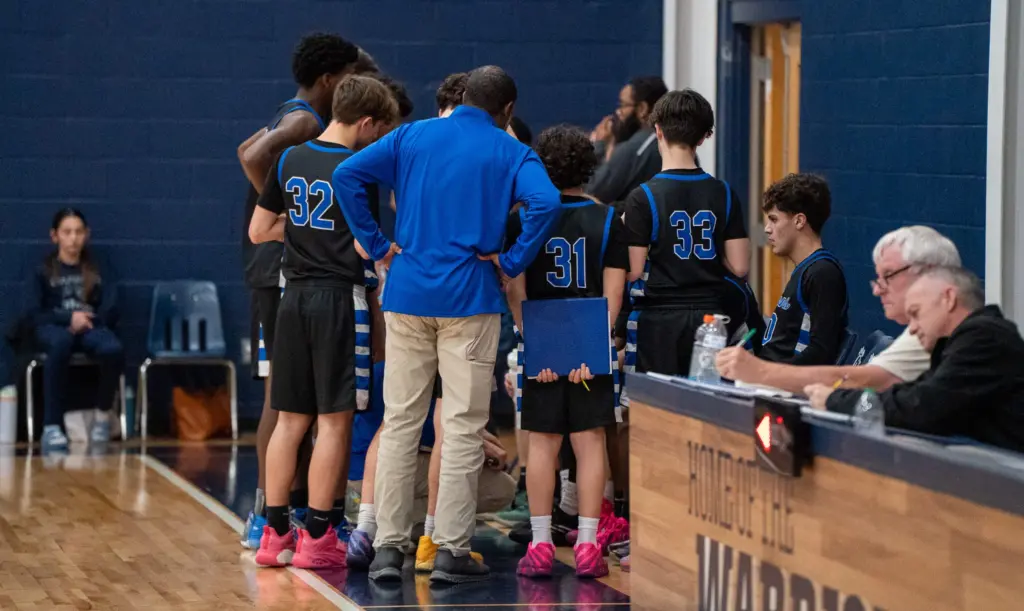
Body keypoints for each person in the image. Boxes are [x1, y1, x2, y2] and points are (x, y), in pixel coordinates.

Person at [332, 65, 561, 584]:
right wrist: (512, 260)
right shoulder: (510, 149)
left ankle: (388, 548)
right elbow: (546, 203)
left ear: (462, 98)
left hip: (407, 294)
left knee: (400, 423)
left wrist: (374, 242)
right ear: (507, 110)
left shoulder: (412, 135)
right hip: (471, 299)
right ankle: (450, 550)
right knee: (460, 427)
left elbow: (346, 175)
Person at [247, 75, 398, 569]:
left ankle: (273, 536)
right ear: (367, 122)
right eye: (377, 131)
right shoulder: (357, 170)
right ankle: (316, 537)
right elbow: (364, 245)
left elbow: (259, 230)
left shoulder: (289, 158)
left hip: (291, 299)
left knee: (290, 421)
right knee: (334, 422)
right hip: (338, 301)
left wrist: (302, 230)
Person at [237, 32, 361, 549]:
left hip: (283, 270)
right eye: (348, 78)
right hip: (285, 268)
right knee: (284, 400)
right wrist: (294, 214)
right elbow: (251, 155)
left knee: (290, 401)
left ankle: (278, 516)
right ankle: (267, 513)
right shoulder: (307, 122)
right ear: (329, 80)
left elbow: (245, 148)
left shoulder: (291, 111)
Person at [504, 124, 628, 579]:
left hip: (542, 339)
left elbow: (514, 288)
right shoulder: (609, 219)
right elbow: (614, 295)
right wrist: (592, 346)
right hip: (589, 344)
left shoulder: (522, 219)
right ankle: (589, 544)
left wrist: (535, 343)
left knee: (542, 442)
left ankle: (540, 544)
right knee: (591, 441)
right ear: (588, 169)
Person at [806, 267, 1024, 453]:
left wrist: (835, 401)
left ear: (948, 299)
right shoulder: (960, 343)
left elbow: (921, 407)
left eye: (916, 313)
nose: (912, 328)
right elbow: (914, 395)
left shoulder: (984, 337)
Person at [718, 226, 961, 392]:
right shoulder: (917, 335)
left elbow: (853, 381)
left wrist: (759, 371)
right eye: (878, 278)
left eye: (888, 276)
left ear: (929, 276)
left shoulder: (958, 337)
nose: (877, 290)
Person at [621, 89, 750, 382]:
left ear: (658, 131)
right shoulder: (724, 193)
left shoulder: (642, 197)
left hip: (659, 321)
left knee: (656, 406)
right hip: (710, 318)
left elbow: (634, 270)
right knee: (706, 402)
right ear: (704, 137)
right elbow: (740, 266)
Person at [346, 362, 515, 570]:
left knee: (401, 429)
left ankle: (379, 528)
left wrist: (477, 439)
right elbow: (444, 436)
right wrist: (473, 442)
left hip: (362, 468)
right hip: (379, 466)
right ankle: (433, 539)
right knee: (483, 475)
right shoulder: (447, 368)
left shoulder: (390, 365)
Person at [26, 208, 123, 452]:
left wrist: (89, 320)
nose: (73, 238)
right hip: (55, 327)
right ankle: (51, 426)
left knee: (113, 349)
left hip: (89, 326)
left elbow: (111, 307)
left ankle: (102, 415)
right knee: (60, 344)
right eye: (67, 232)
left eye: (78, 232)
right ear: (55, 236)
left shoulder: (97, 269)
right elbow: (34, 313)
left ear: (86, 234)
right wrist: (68, 318)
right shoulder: (43, 270)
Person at [758, 173, 848, 364]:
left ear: (799, 221)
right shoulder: (806, 269)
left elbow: (821, 352)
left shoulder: (822, 273)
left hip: (780, 380)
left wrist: (764, 373)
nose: (767, 228)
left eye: (774, 219)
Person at [587, 76, 667, 204]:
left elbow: (591, 191)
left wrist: (599, 145)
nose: (618, 112)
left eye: (623, 105)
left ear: (642, 109)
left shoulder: (634, 148)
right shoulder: (678, 144)